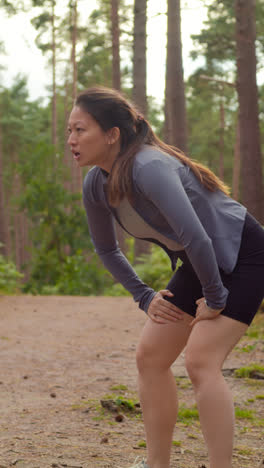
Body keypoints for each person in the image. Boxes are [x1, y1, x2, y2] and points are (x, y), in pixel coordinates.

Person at [67, 86, 264, 468]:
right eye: (69, 131)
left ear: (112, 135)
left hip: (245, 254)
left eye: (80, 130)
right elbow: (107, 250)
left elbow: (197, 236)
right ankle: (158, 464)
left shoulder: (149, 167)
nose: (71, 140)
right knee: (150, 356)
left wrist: (217, 298)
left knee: (201, 360)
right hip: (200, 259)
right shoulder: (96, 183)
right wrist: (144, 296)